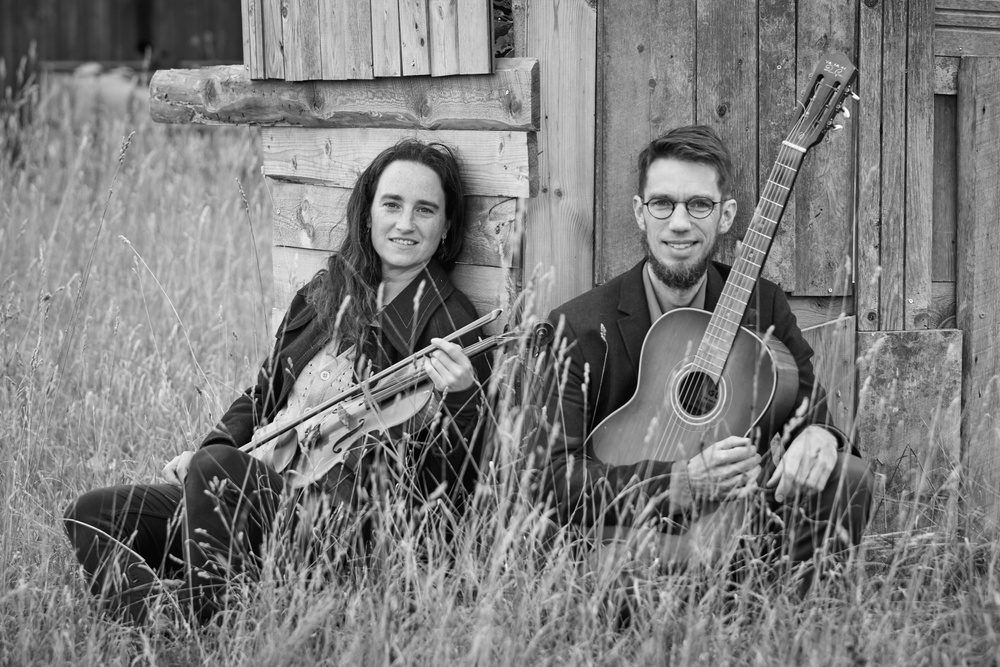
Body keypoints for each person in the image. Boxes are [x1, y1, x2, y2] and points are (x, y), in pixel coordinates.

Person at [63, 139, 491, 624]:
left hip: (328, 522)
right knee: (89, 514)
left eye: (425, 210)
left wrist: (463, 399)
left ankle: (215, 618)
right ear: (368, 212)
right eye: (391, 204)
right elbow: (263, 392)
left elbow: (449, 483)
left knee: (218, 468)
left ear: (446, 225)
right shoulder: (328, 291)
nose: (405, 223)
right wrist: (209, 451)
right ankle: (181, 616)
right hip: (250, 482)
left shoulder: (450, 320)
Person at [531, 125, 873, 587]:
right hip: (626, 539)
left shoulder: (762, 305)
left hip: (742, 525)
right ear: (640, 212)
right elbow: (547, 478)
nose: (678, 222)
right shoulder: (579, 326)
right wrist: (678, 482)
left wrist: (822, 437)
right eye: (662, 203)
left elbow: (814, 416)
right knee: (612, 576)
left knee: (847, 477)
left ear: (726, 215)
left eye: (699, 205)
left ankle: (786, 624)